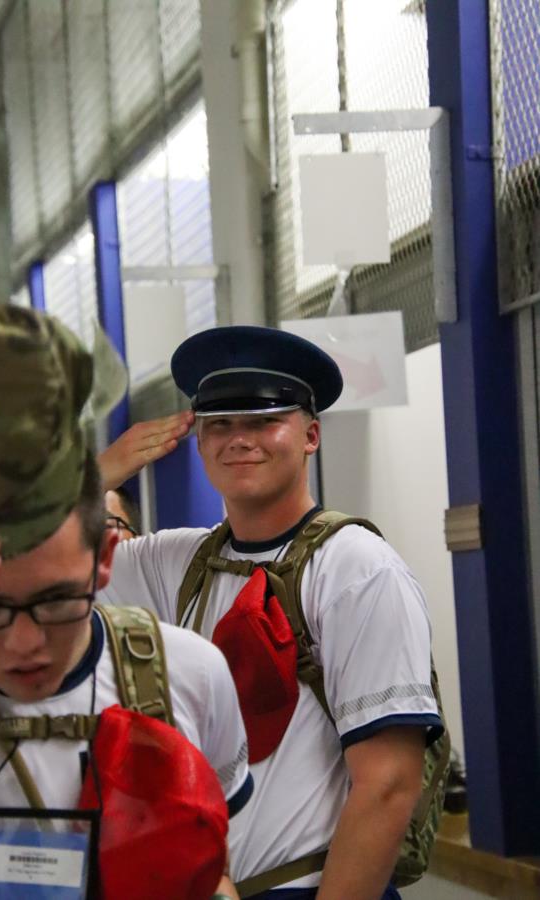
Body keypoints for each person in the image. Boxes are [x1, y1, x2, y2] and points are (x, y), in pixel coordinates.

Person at [96, 326, 444, 900]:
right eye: (220, 424)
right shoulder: (179, 563)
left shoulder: (356, 569)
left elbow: (387, 783)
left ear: (311, 434)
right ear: (198, 440)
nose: (240, 440)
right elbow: (16, 571)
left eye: (264, 420)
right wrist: (99, 474)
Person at [0, 306, 251, 900]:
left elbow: (211, 873)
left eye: (57, 601)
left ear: (106, 560)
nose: (25, 641)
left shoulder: (185, 674)